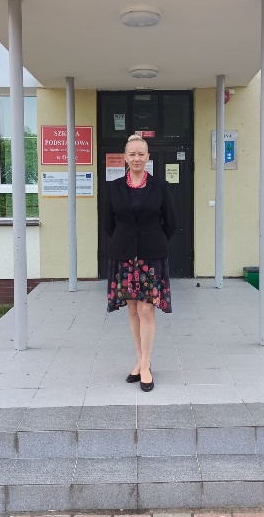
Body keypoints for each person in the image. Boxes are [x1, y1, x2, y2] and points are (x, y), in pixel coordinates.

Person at [103, 134, 176, 392]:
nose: (136, 158)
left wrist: (151, 241)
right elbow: (108, 223)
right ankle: (140, 359)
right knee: (133, 310)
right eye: (132, 154)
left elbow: (171, 223)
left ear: (148, 157)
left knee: (146, 309)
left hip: (151, 255)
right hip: (123, 255)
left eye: (141, 154)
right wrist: (127, 242)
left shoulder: (160, 187)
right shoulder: (113, 188)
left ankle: (145, 366)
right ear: (125, 157)